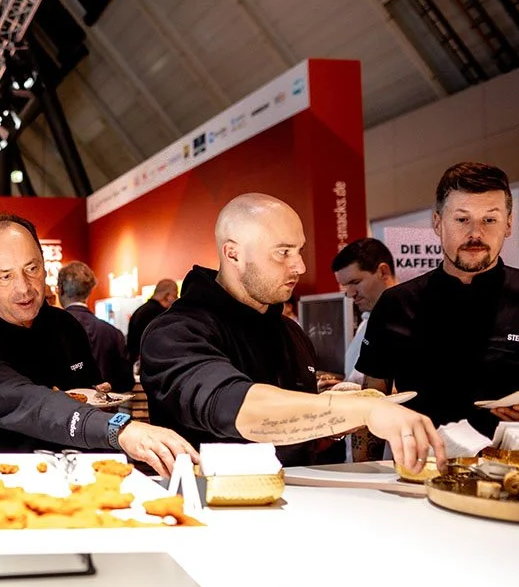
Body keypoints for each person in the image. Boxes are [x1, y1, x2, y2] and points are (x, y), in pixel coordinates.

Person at [140, 194, 445, 474]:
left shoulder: (290, 332)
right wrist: (361, 409)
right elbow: (239, 408)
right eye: (283, 252)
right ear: (233, 254)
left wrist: (331, 412)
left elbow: (295, 430)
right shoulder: (174, 333)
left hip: (304, 505)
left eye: (299, 251)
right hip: (210, 508)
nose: (299, 266)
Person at [0, 214, 197, 476]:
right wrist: (117, 427)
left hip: (77, 478)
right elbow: (28, 405)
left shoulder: (65, 325)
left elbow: (87, 389)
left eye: (32, 268)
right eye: (5, 276)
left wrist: (100, 398)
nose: (24, 288)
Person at [357, 162, 519, 435]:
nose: (475, 234)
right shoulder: (395, 304)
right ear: (437, 222)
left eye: (489, 220)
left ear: (508, 224)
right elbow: (371, 403)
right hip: (425, 461)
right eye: (462, 220)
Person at [59, 261, 134, 392]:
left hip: (62, 403)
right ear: (89, 291)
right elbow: (127, 381)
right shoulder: (113, 333)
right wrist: (109, 385)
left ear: (61, 289)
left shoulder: (48, 329)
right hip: (104, 403)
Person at [332, 238, 398, 384]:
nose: (350, 293)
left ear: (383, 272)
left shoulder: (414, 321)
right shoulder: (367, 322)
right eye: (346, 286)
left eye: (355, 282)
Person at [126, 279, 178, 362]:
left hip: (137, 363)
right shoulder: (160, 314)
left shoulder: (140, 310)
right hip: (151, 363)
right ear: (167, 296)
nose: (177, 299)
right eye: (175, 296)